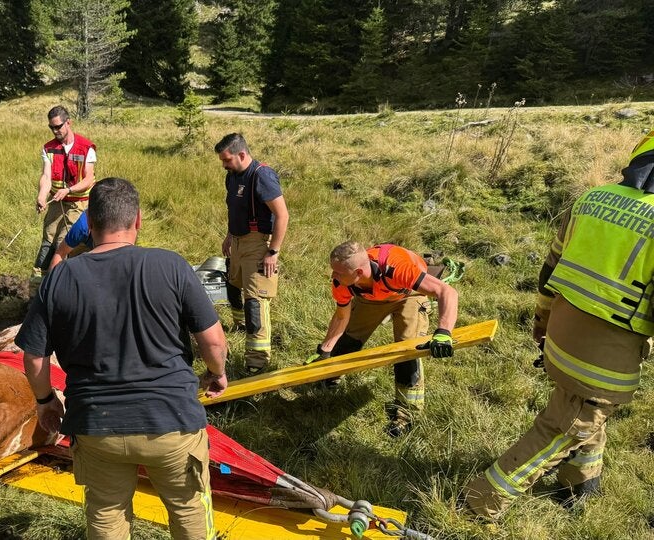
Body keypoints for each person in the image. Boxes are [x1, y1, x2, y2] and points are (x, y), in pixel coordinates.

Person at [15, 178, 229, 540]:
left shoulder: (60, 276)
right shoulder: (171, 265)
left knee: (106, 515)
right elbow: (214, 341)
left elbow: (34, 357)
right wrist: (216, 372)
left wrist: (45, 400)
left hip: (96, 427)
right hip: (172, 422)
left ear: (90, 224)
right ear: (138, 219)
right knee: (189, 509)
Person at [463, 131, 654, 519]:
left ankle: (580, 482)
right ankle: (479, 503)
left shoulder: (592, 198)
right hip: (605, 360)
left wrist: (542, 319)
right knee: (566, 427)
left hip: (560, 337)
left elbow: (550, 268)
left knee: (580, 409)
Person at [317, 241, 459, 438]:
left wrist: (443, 332)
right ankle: (330, 379)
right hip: (371, 297)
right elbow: (342, 317)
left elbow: (447, 291)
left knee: (407, 349)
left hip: (408, 294)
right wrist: (326, 350)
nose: (333, 275)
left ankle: (406, 414)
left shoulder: (397, 268)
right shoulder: (342, 283)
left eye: (338, 272)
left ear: (358, 272)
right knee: (349, 339)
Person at [215, 133, 289, 373]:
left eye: (227, 160)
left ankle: (257, 363)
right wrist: (229, 235)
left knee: (255, 302)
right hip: (237, 242)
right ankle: (239, 326)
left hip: (257, 244)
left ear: (242, 154)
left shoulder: (262, 176)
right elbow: (235, 209)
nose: (224, 165)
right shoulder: (232, 176)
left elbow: (282, 215)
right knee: (233, 285)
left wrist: (273, 251)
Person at [32, 105, 97, 280]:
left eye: (58, 127)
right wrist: (41, 196)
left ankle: (61, 280)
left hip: (79, 202)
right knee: (49, 236)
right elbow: (46, 176)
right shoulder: (48, 148)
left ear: (68, 123)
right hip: (56, 200)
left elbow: (88, 179)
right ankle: (40, 277)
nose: (55, 131)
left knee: (65, 240)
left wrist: (68, 190)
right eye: (51, 127)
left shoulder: (86, 148)